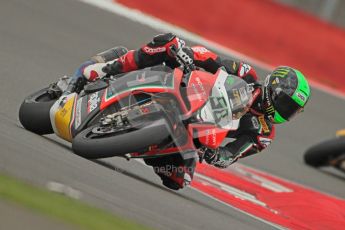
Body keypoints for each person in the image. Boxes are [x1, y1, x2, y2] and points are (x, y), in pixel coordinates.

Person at [68, 33, 311, 190]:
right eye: (286, 103)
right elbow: (210, 58)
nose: (284, 111)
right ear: (274, 89)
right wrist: (188, 55)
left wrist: (220, 157)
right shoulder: (246, 74)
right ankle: (105, 69)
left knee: (178, 179)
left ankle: (132, 138)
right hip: (186, 87)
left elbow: (232, 154)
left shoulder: (263, 133)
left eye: (291, 110)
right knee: (168, 43)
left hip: (197, 132)